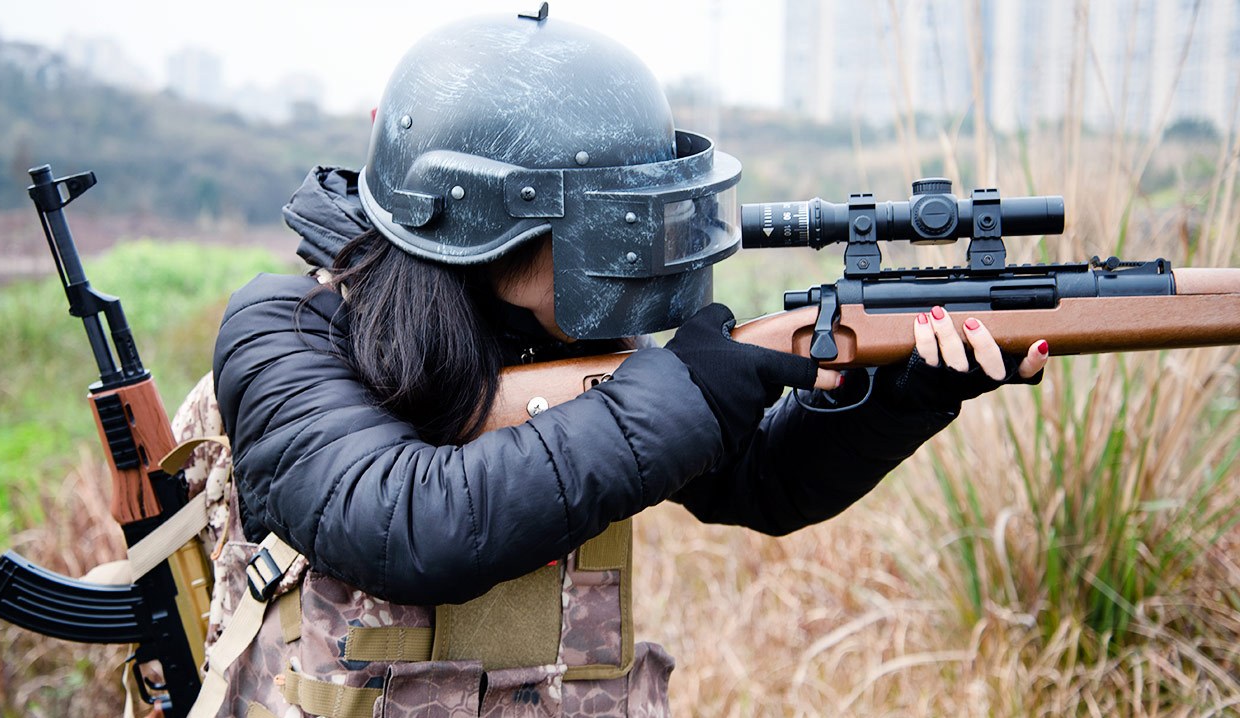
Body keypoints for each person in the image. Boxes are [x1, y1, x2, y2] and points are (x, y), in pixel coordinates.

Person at [187, 9, 1048, 717]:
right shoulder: (287, 327)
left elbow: (765, 488)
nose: (638, 252)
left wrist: (901, 396)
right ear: (487, 222)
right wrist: (681, 395)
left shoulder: (583, 338)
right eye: (608, 224)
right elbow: (403, 522)